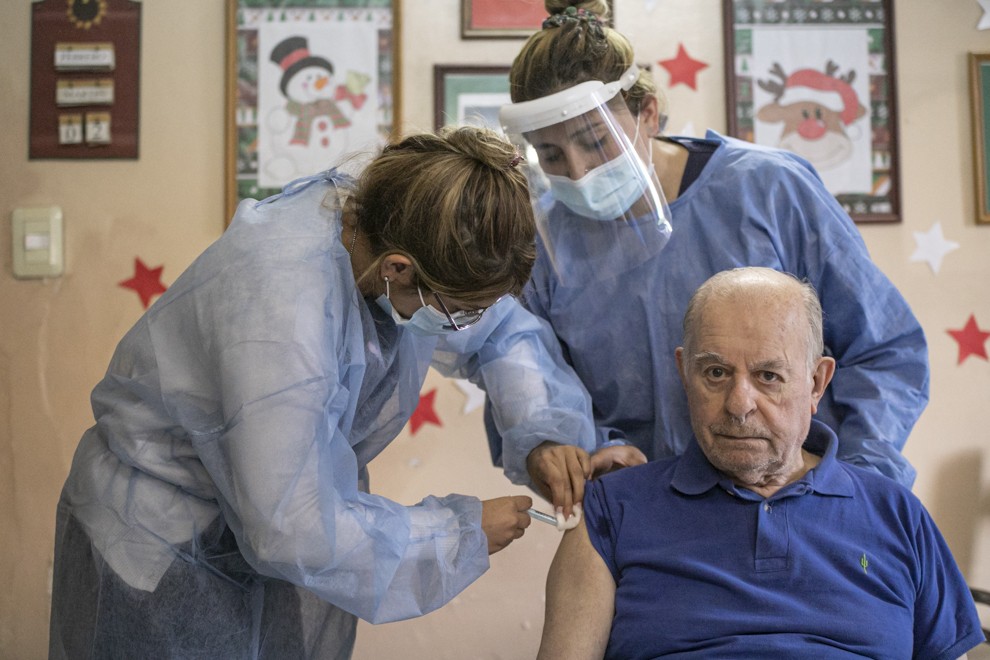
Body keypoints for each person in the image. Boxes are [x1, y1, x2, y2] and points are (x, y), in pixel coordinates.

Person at [48, 126, 599, 659]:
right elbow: (290, 527)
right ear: (396, 269)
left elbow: (502, 333)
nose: (462, 326)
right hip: (161, 545)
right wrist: (456, 533)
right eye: (455, 313)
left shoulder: (394, 223)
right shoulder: (280, 303)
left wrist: (544, 434)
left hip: (266, 538)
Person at [484, 0, 929, 502]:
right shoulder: (546, 240)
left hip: (795, 498)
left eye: (597, 142)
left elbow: (885, 350)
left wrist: (851, 484)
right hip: (649, 513)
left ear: (647, 113)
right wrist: (583, 451)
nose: (580, 172)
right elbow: (530, 380)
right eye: (552, 154)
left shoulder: (767, 190)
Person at [537, 267, 985, 659]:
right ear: (683, 373)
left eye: (768, 376)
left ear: (816, 382)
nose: (738, 404)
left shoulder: (897, 515)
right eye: (715, 372)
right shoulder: (609, 511)